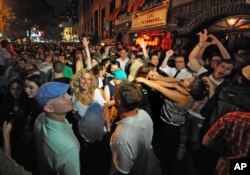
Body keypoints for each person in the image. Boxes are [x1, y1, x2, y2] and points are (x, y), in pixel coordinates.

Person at [34, 82, 81, 175]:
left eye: (67, 92)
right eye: (62, 97)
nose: (70, 96)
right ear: (49, 108)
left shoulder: (40, 118)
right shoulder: (69, 148)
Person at [107, 81, 153, 175]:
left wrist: (107, 120)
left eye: (114, 94)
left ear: (118, 102)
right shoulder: (144, 115)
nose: (112, 97)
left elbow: (122, 171)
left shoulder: (122, 137)